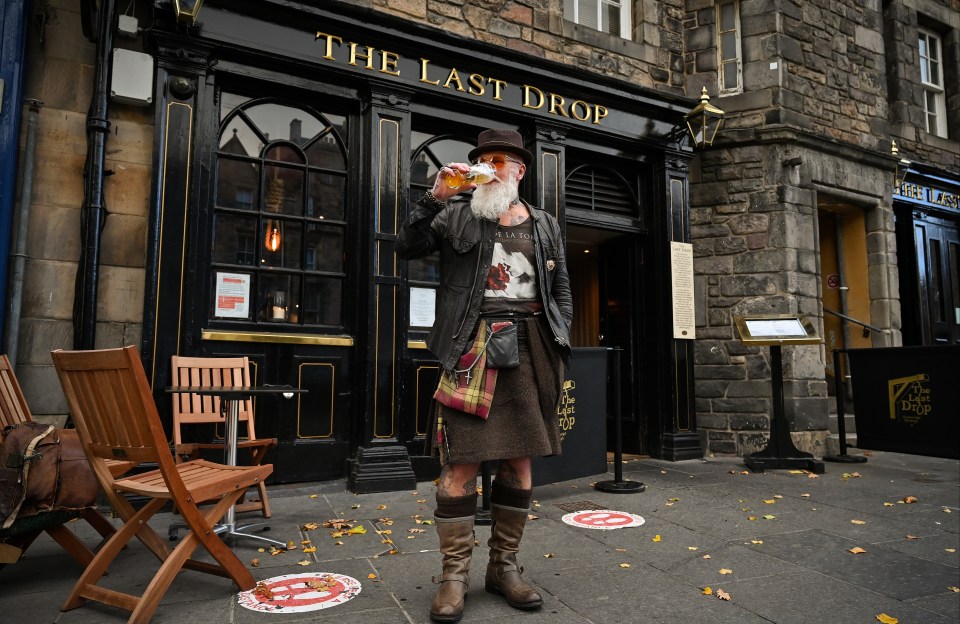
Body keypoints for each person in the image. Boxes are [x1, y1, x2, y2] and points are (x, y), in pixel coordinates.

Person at [397, 129, 573, 623]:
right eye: (485, 159)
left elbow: (560, 286)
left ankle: (504, 567)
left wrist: (561, 342)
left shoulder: (544, 223)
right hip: (473, 346)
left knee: (519, 462)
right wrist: (434, 196)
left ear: (520, 170)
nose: (493, 167)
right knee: (460, 466)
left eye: (503, 160)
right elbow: (406, 246)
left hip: (533, 345)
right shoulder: (455, 213)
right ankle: (454, 576)